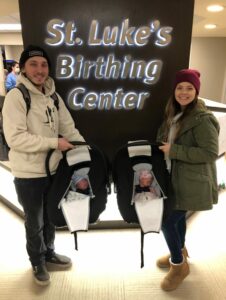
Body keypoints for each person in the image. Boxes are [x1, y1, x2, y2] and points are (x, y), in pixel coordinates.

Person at [2, 45, 85, 286]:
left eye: (44, 65)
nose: (40, 70)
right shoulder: (17, 96)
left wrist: (84, 150)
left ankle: (49, 252)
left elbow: (69, 128)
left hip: (54, 171)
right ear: (24, 69)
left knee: (50, 217)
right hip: (28, 174)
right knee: (34, 221)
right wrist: (53, 143)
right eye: (33, 64)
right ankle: (37, 260)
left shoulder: (53, 97)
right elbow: (14, 138)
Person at [156, 69, 219, 291]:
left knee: (166, 220)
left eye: (189, 88)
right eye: (180, 88)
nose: (184, 92)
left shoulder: (203, 119)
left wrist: (174, 150)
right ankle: (180, 250)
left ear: (196, 91)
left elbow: (210, 153)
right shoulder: (174, 114)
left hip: (191, 181)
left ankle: (178, 264)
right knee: (177, 219)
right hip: (174, 177)